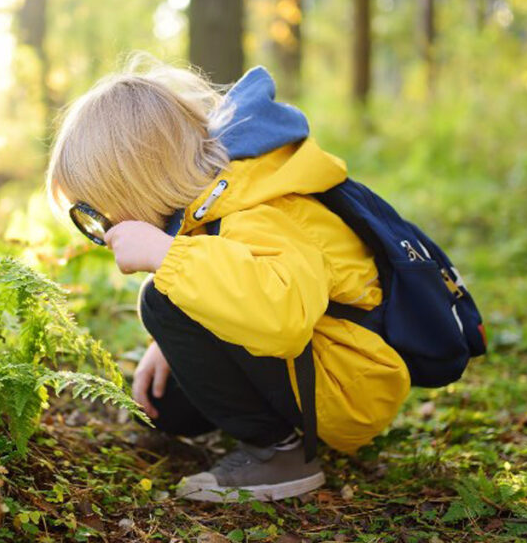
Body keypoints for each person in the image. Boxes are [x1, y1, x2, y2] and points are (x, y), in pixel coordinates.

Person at [46, 55, 410, 502]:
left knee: (159, 299)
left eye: (95, 212)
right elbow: (232, 276)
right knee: (168, 406)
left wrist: (167, 258)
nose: (99, 229)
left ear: (137, 184)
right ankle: (262, 430)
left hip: (347, 383)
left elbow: (283, 316)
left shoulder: (258, 205)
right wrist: (170, 342)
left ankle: (278, 455)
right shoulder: (211, 201)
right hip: (318, 366)